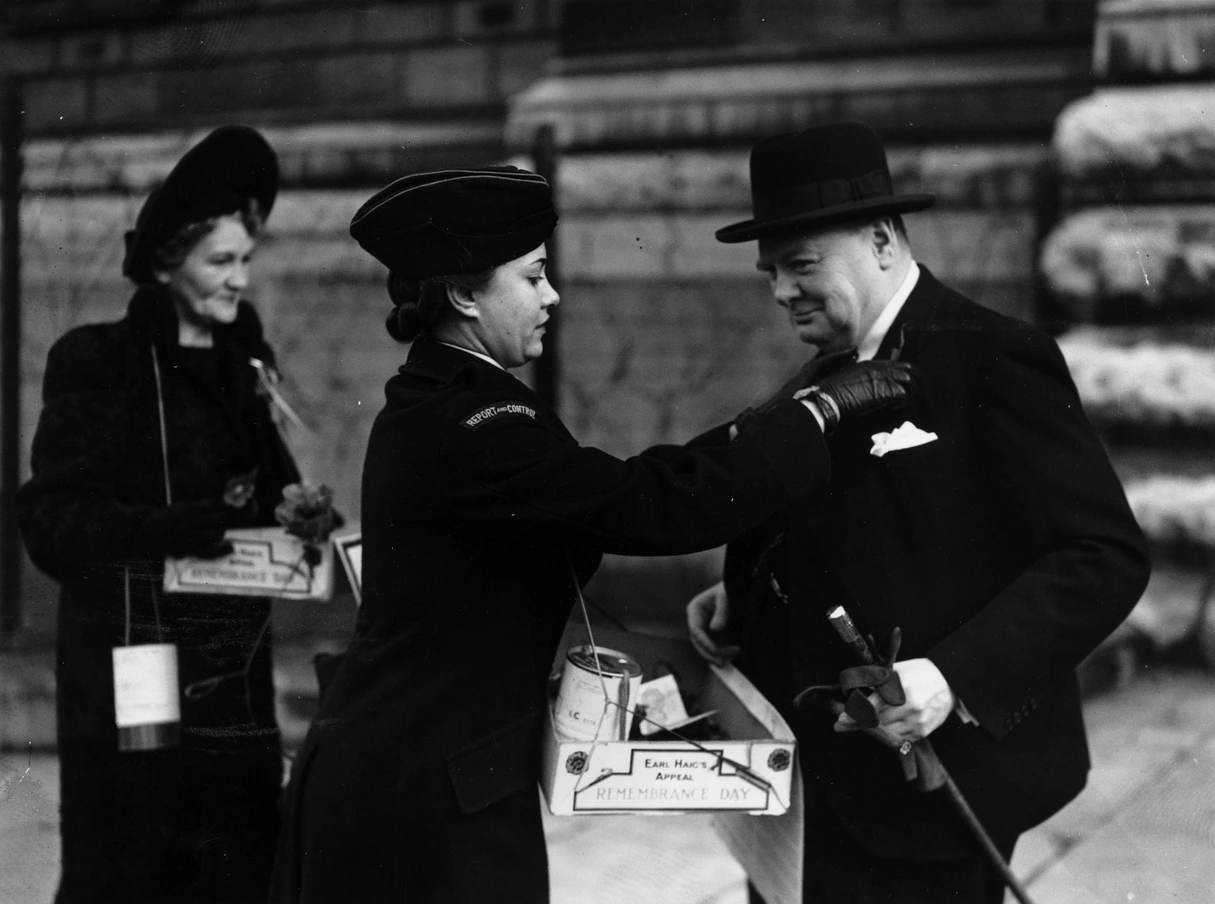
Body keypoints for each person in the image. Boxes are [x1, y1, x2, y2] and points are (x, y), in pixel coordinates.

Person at [268, 165, 918, 904]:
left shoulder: (450, 399)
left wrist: (774, 418)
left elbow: (616, 481)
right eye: (532, 276)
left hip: (427, 765)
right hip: (418, 796)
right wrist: (814, 419)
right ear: (463, 295)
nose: (550, 296)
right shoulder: (473, 426)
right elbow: (644, 505)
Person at [686, 122, 1151, 903]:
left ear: (878, 240)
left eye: (799, 265)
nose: (779, 291)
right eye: (770, 271)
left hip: (932, 797)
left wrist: (947, 678)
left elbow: (1101, 556)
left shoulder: (993, 356)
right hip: (802, 791)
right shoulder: (818, 374)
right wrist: (746, 593)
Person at [18, 126, 302, 904]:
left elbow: (266, 494)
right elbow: (53, 523)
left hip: (230, 679)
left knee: (238, 866)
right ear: (168, 259)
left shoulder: (243, 365)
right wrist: (164, 534)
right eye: (220, 261)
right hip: (129, 671)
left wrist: (298, 514)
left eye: (245, 260)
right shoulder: (98, 362)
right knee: (132, 873)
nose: (238, 279)